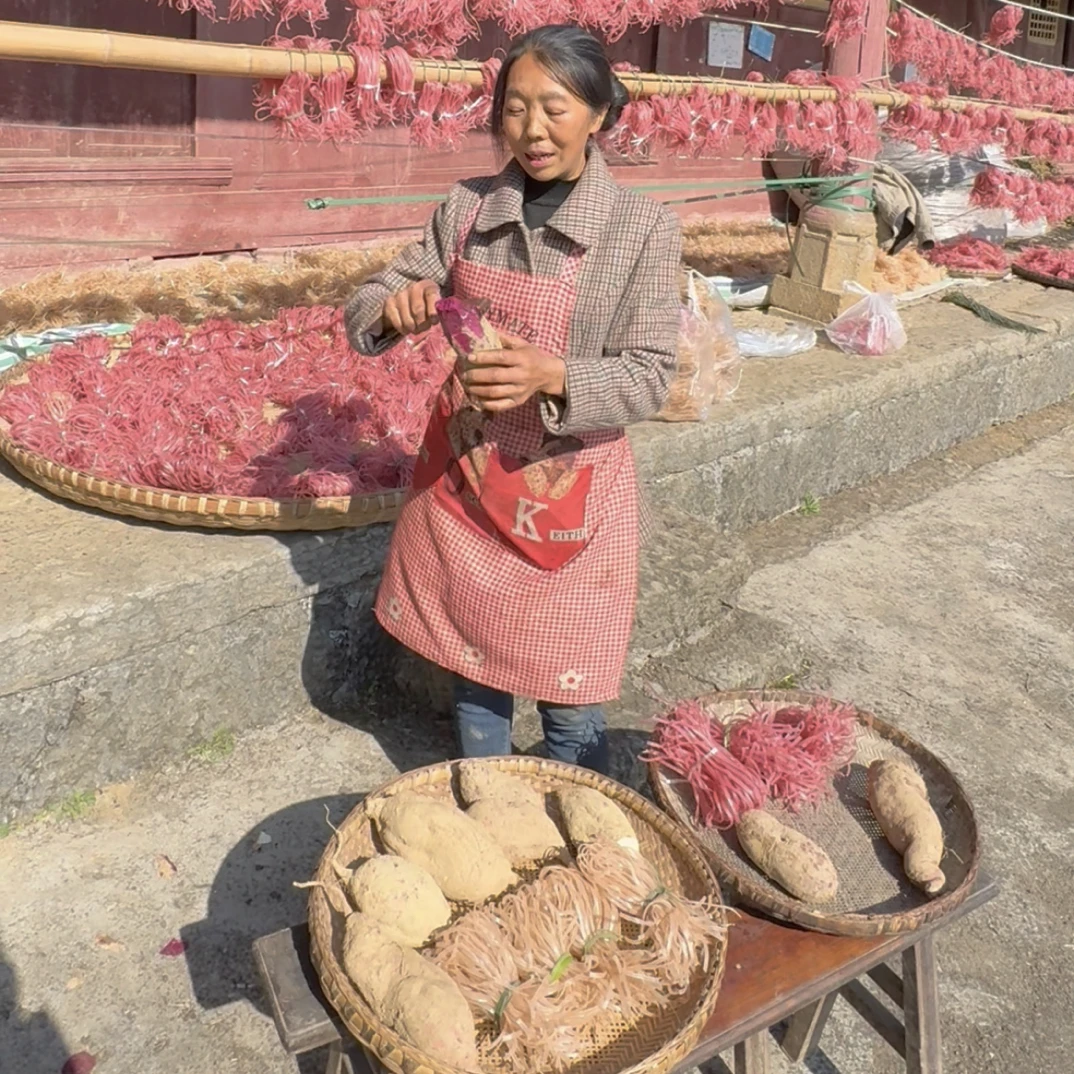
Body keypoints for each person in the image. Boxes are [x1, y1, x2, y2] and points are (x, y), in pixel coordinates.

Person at [345, 24, 681, 775]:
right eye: (516, 108)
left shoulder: (641, 230)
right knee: (477, 673)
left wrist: (553, 375)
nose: (532, 130)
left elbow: (653, 374)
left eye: (555, 108)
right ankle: (489, 800)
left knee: (570, 704)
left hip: (571, 499)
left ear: (599, 114)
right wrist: (394, 307)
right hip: (468, 486)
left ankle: (583, 825)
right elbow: (368, 303)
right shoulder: (465, 211)